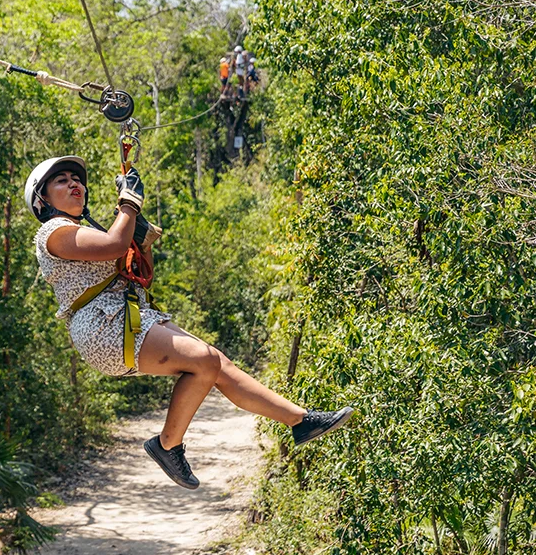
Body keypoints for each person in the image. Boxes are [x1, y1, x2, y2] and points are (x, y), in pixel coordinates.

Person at [25, 157, 354, 490]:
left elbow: (140, 272)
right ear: (43, 201)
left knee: (217, 363)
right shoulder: (52, 233)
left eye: (75, 179)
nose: (73, 184)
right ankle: (167, 445)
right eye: (61, 181)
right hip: (103, 328)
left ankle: (300, 421)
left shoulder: (90, 231)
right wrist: (128, 204)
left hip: (126, 317)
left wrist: (140, 232)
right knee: (204, 361)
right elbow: (114, 245)